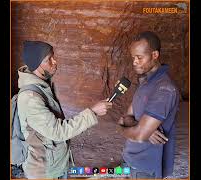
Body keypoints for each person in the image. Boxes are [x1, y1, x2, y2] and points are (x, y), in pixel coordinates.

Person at [16, 40, 112, 179]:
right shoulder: (31, 98)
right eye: (49, 59)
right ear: (37, 65)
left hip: (54, 164)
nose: (55, 61)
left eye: (53, 57)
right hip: (45, 172)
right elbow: (58, 131)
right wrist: (93, 112)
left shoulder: (41, 86)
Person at [117, 31, 180, 178]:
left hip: (146, 167)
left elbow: (138, 135)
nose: (134, 62)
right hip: (131, 158)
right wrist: (144, 130)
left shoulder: (164, 89)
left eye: (139, 57)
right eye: (133, 57)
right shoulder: (145, 82)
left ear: (155, 55)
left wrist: (121, 128)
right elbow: (128, 115)